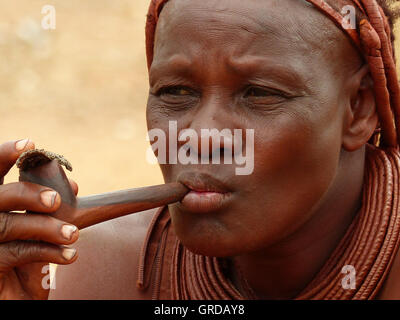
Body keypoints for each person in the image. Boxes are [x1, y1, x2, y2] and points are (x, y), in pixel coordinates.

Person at [1, 0, 400, 300]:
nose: (199, 136)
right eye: (175, 92)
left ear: (358, 109)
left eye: (259, 94)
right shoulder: (89, 275)